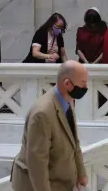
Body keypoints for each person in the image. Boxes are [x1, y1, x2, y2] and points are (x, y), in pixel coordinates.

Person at [10, 60, 88, 191]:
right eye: (83, 83)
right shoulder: (43, 114)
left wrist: (81, 173)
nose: (86, 87)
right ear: (67, 84)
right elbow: (37, 164)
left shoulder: (67, 100)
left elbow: (74, 141)